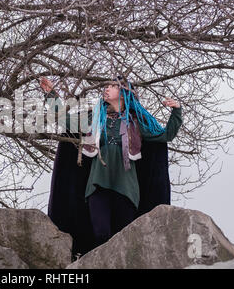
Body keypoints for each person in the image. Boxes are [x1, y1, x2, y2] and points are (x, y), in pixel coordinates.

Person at [40, 75, 183, 253]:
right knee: (101, 233)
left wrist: (176, 111)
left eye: (111, 86)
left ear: (123, 93)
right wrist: (51, 94)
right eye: (105, 86)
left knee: (123, 237)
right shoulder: (94, 119)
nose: (105, 89)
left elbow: (165, 135)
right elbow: (64, 120)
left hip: (127, 189)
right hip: (97, 185)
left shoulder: (136, 122)